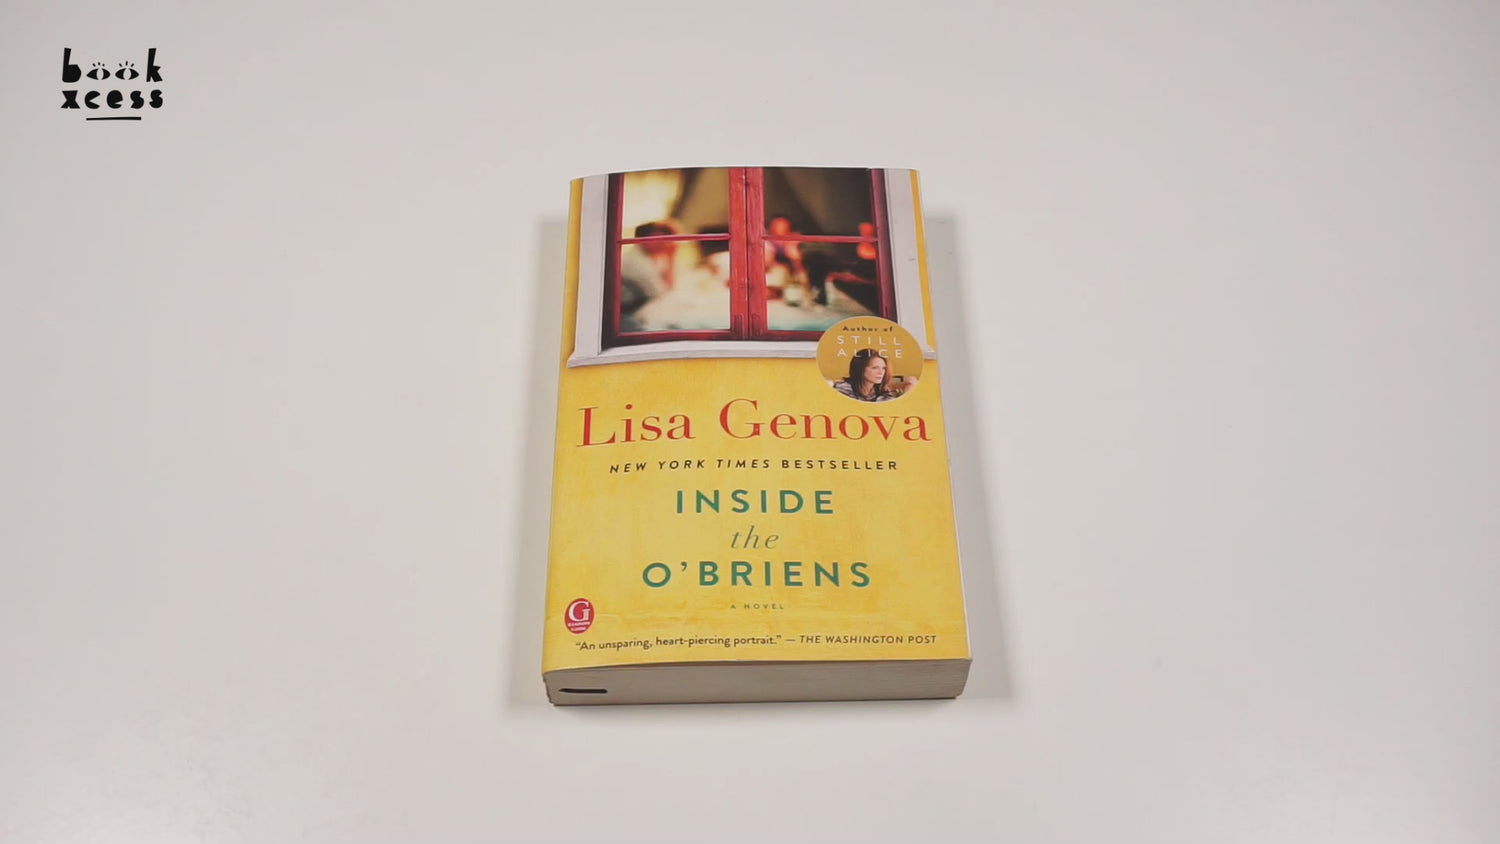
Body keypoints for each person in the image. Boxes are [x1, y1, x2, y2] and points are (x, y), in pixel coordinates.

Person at [833, 350, 898, 402]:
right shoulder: (843, 388)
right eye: (875, 368)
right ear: (860, 368)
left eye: (883, 368)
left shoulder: (883, 390)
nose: (881, 372)